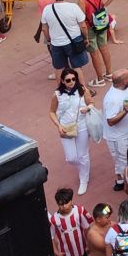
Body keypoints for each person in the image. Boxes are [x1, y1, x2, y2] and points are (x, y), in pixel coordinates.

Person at [51, 67, 97, 196]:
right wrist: (58, 125)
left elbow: (92, 103)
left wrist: (87, 108)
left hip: (82, 126)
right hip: (66, 128)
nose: (71, 82)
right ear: (62, 81)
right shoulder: (57, 95)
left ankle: (84, 179)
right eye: (68, 80)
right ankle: (84, 168)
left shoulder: (82, 90)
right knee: (71, 158)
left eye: (73, 79)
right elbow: (51, 112)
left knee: (82, 155)